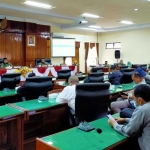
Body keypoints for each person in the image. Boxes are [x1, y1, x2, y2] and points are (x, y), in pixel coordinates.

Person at [108, 84, 150, 150]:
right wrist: (125, 119)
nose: (133, 101)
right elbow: (145, 120)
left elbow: (129, 131)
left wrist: (114, 124)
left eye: (133, 98)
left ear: (139, 100)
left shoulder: (142, 110)